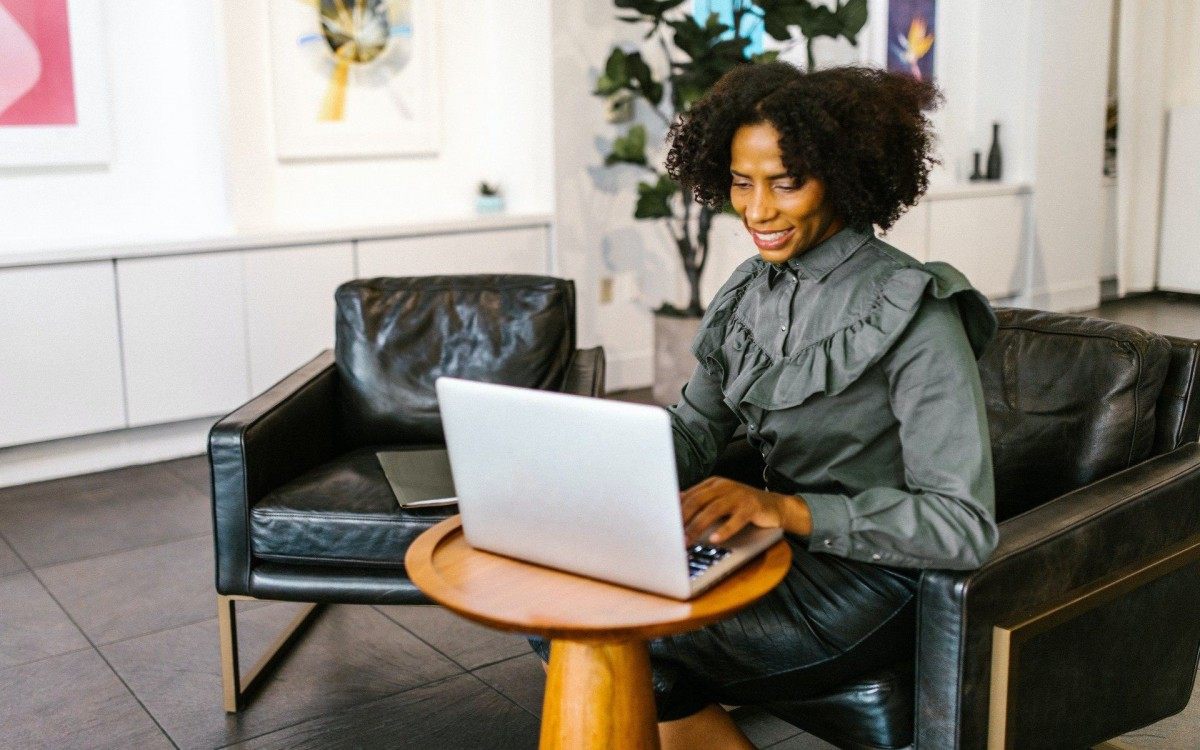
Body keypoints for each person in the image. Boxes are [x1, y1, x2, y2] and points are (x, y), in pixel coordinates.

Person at [649, 62, 999, 748]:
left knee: (612, 631)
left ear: (842, 176)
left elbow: (963, 525)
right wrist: (601, 457)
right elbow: (695, 429)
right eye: (741, 183)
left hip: (874, 583)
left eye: (786, 183)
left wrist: (783, 509)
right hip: (771, 547)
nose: (756, 211)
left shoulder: (913, 308)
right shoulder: (748, 290)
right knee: (568, 610)